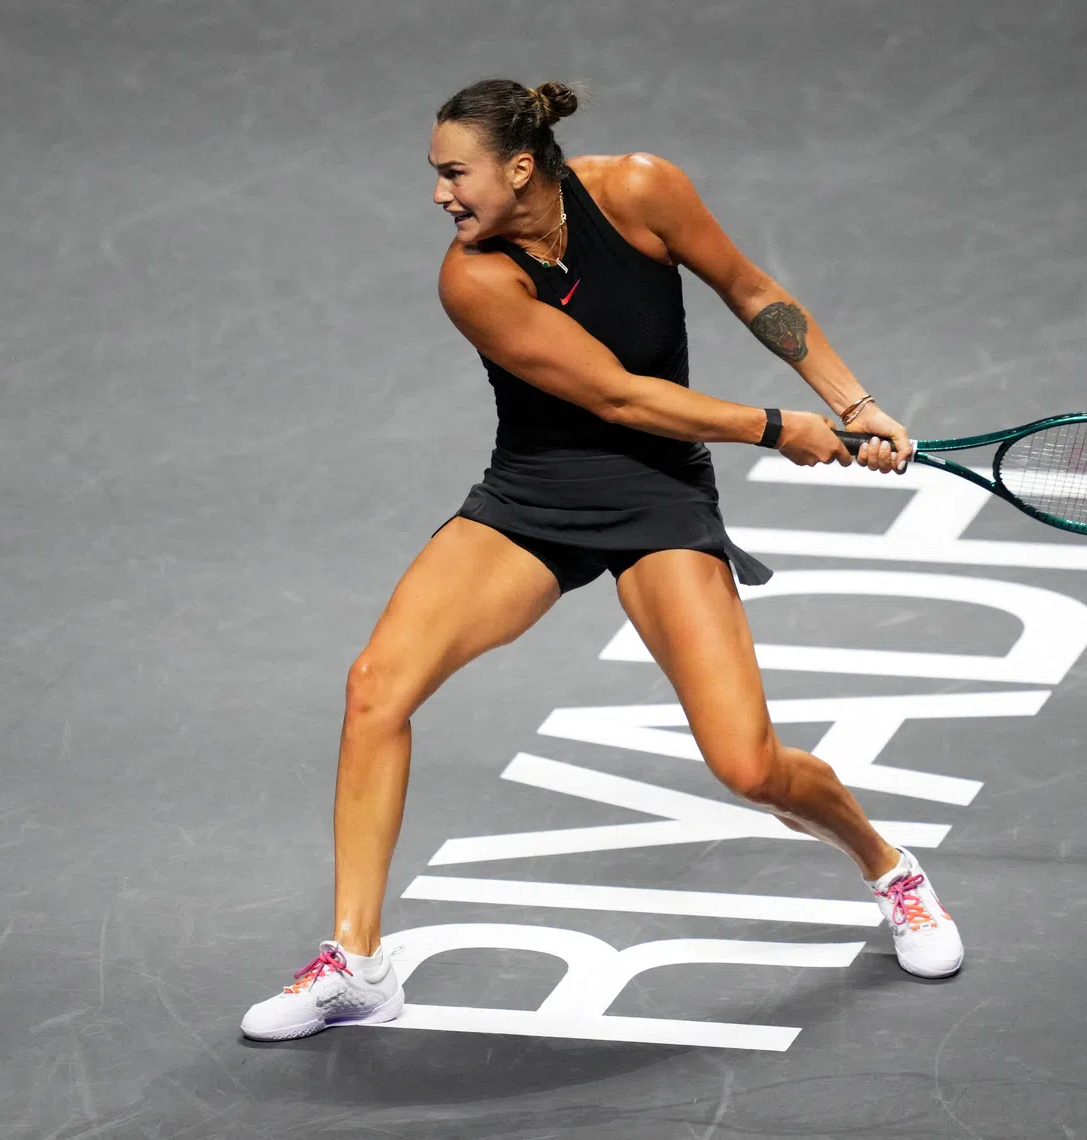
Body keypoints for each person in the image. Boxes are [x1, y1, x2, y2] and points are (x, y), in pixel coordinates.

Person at [240, 78, 963, 1042]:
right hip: (535, 494)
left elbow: (753, 291)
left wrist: (854, 402)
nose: (440, 195)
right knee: (377, 685)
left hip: (658, 495)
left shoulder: (641, 190)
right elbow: (619, 397)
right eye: (437, 176)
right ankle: (358, 962)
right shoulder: (475, 278)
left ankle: (890, 869)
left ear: (523, 166)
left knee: (747, 766)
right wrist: (780, 427)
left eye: (456, 173)